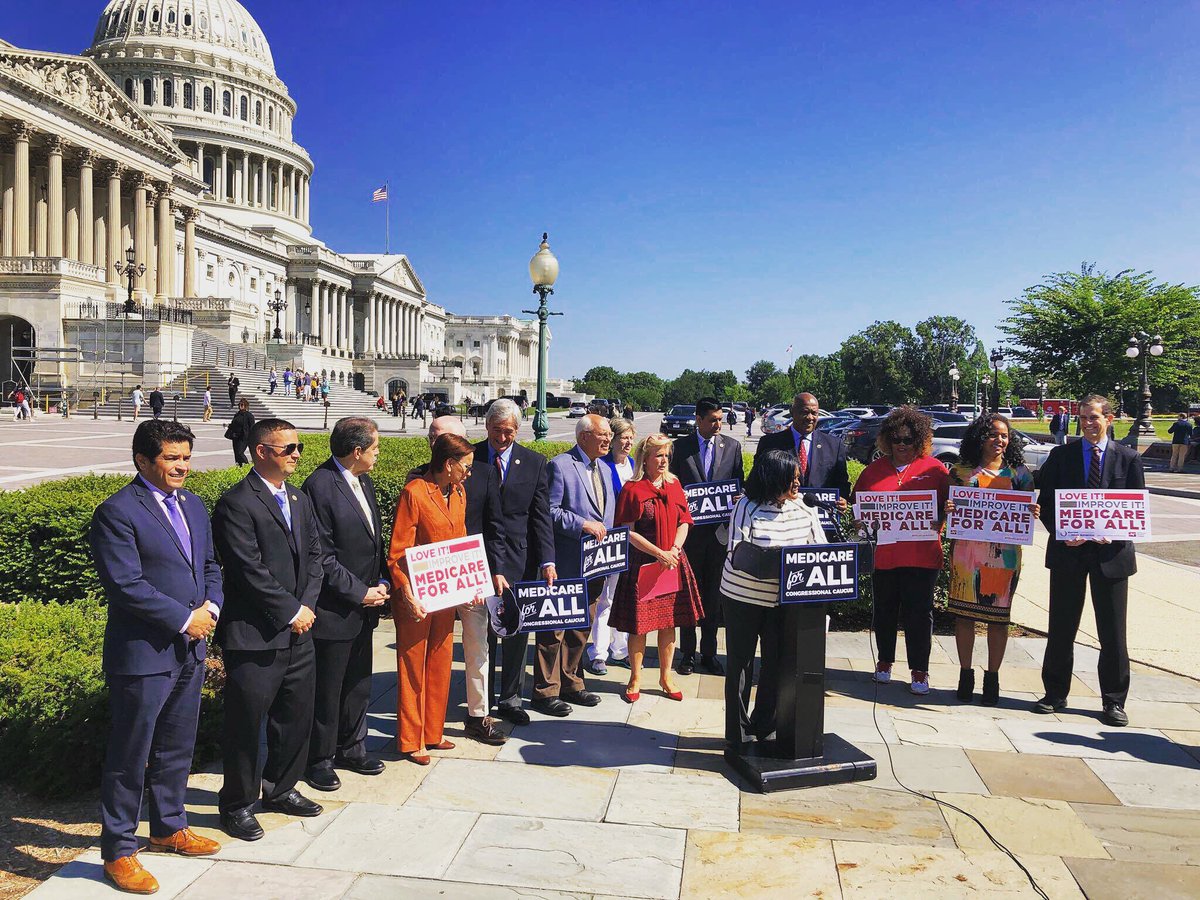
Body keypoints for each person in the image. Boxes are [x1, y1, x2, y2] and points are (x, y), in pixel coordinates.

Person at [88, 421, 224, 893]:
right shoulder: (117, 512)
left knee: (176, 745)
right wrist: (185, 619)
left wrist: (210, 606)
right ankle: (119, 851)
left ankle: (168, 827)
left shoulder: (193, 504)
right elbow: (126, 586)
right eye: (171, 458)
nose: (182, 466)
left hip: (190, 646)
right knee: (132, 754)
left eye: (186, 457)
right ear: (143, 461)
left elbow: (208, 565)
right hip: (144, 654)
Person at [212, 418, 325, 842]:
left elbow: (315, 554)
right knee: (246, 724)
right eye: (287, 448)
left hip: (300, 629)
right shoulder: (237, 503)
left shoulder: (297, 497)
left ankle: (281, 787)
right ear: (261, 452)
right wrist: (291, 610)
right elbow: (246, 570)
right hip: (256, 635)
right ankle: (237, 804)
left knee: (295, 716)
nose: (296, 454)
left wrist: (307, 607)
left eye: (298, 447)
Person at [1034, 394, 1144, 727]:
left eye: (1093, 417)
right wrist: (1062, 532)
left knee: (1112, 633)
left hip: (1111, 556)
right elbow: (1047, 503)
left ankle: (1113, 701)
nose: (1087, 424)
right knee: (1061, 628)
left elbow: (1135, 510)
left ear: (1109, 418)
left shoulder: (1128, 459)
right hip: (1069, 554)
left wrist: (1117, 532)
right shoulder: (1062, 455)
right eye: (1082, 418)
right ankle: (1055, 693)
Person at [389, 434, 499, 762]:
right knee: (413, 666)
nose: (469, 472)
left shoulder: (459, 493)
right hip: (417, 597)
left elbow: (461, 544)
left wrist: (474, 582)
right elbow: (398, 552)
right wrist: (406, 592)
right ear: (448, 464)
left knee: (439, 661)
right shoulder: (414, 493)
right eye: (465, 466)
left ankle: (433, 733)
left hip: (446, 593)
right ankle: (411, 740)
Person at [407, 413, 511, 746]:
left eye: (448, 438)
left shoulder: (480, 473)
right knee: (432, 652)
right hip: (433, 583)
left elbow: (494, 526)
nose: (438, 443)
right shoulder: (417, 481)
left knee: (477, 647)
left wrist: (492, 572)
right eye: (435, 438)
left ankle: (479, 716)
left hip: (470, 575)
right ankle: (422, 725)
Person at [301, 418, 390, 793]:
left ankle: (352, 746)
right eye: (374, 449)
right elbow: (321, 555)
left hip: (364, 604)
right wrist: (358, 592)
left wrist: (382, 580)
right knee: (328, 687)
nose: (377, 455)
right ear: (356, 451)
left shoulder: (362, 479)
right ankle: (319, 758)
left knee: (357, 682)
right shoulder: (320, 486)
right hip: (335, 608)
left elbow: (372, 541)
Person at [720, 449, 825, 748]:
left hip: (783, 602)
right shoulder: (746, 506)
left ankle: (765, 724)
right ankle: (738, 733)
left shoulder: (805, 508)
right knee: (741, 664)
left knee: (775, 664)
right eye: (792, 478)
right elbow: (738, 552)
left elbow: (820, 551)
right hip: (743, 597)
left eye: (798, 477)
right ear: (773, 477)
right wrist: (783, 562)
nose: (798, 483)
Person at [851, 406, 949, 695]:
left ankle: (920, 671)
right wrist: (860, 522)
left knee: (920, 614)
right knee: (884, 610)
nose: (902, 445)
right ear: (886, 440)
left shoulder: (934, 469)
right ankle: (884, 662)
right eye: (896, 439)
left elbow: (948, 507)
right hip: (885, 555)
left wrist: (940, 519)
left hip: (921, 556)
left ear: (919, 440)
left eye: (908, 439)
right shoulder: (873, 471)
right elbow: (858, 507)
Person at [945, 414, 1038, 705]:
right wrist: (948, 507)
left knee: (999, 620)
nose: (1000, 440)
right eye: (993, 435)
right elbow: (947, 511)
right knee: (965, 616)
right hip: (966, 554)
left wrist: (1033, 512)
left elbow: (1026, 511)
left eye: (1005, 436)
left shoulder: (1020, 474)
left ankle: (992, 678)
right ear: (979, 437)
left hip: (1004, 556)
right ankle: (965, 674)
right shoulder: (959, 472)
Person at [474, 400, 557, 727]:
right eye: (497, 431)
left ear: (517, 431)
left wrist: (548, 560)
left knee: (516, 633)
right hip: (480, 557)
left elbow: (541, 517)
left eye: (508, 432)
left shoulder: (535, 462)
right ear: (487, 427)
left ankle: (510, 698)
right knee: (482, 632)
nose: (502, 438)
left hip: (521, 560)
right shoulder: (473, 457)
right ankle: (482, 699)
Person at [609, 433, 703, 702]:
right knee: (639, 626)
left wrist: (673, 549)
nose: (663, 460)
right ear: (645, 459)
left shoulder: (674, 484)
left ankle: (666, 676)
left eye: (666, 455)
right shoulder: (632, 489)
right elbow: (627, 531)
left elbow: (685, 520)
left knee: (668, 622)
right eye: (658, 455)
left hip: (672, 562)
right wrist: (658, 553)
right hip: (643, 563)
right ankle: (635, 678)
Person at [538, 415, 614, 716]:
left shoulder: (605, 469)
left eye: (609, 434)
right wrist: (582, 523)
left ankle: (572, 683)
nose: (608, 439)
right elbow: (550, 511)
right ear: (584, 436)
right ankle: (545, 691)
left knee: (582, 627)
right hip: (566, 562)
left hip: (595, 565)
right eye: (603, 434)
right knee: (554, 629)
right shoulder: (560, 465)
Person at [670, 398, 744, 676]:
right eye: (712, 420)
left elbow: (740, 483)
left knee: (713, 599)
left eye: (720, 420)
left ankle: (709, 653)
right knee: (688, 596)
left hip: (719, 536)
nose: (718, 424)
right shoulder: (680, 448)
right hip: (689, 536)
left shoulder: (733, 446)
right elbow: (672, 483)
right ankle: (687, 654)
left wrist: (738, 496)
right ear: (698, 420)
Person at [588, 416, 636, 674]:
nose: (627, 442)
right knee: (605, 598)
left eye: (630, 437)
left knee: (623, 597)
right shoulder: (602, 466)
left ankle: (621, 649)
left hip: (631, 542)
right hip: (608, 542)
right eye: (623, 437)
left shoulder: (633, 465)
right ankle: (599, 653)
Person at [756, 392, 851, 502]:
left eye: (814, 413)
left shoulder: (834, 445)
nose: (810, 418)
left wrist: (843, 499)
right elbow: (758, 481)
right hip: (781, 513)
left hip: (819, 514)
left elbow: (842, 482)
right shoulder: (769, 443)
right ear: (792, 412)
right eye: (804, 412)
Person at [227, 398, 255, 465]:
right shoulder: (237, 414)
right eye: (239, 405)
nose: (240, 406)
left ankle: (246, 465)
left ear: (245, 406)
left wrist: (252, 437)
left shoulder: (249, 415)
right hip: (235, 436)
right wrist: (229, 426)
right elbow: (233, 423)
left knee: (240, 452)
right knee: (236, 453)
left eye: (242, 405)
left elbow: (252, 427)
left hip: (244, 437)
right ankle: (239, 466)